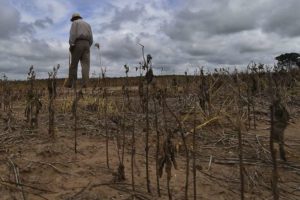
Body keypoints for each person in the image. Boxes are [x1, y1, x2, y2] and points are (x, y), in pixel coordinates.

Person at [66, 13, 93, 88]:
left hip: (78, 43)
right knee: (86, 65)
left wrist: (71, 44)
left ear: (74, 18)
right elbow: (91, 38)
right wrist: (88, 45)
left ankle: (72, 84)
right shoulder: (88, 24)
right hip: (87, 44)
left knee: (74, 65)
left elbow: (73, 34)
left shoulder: (75, 23)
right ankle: (86, 84)